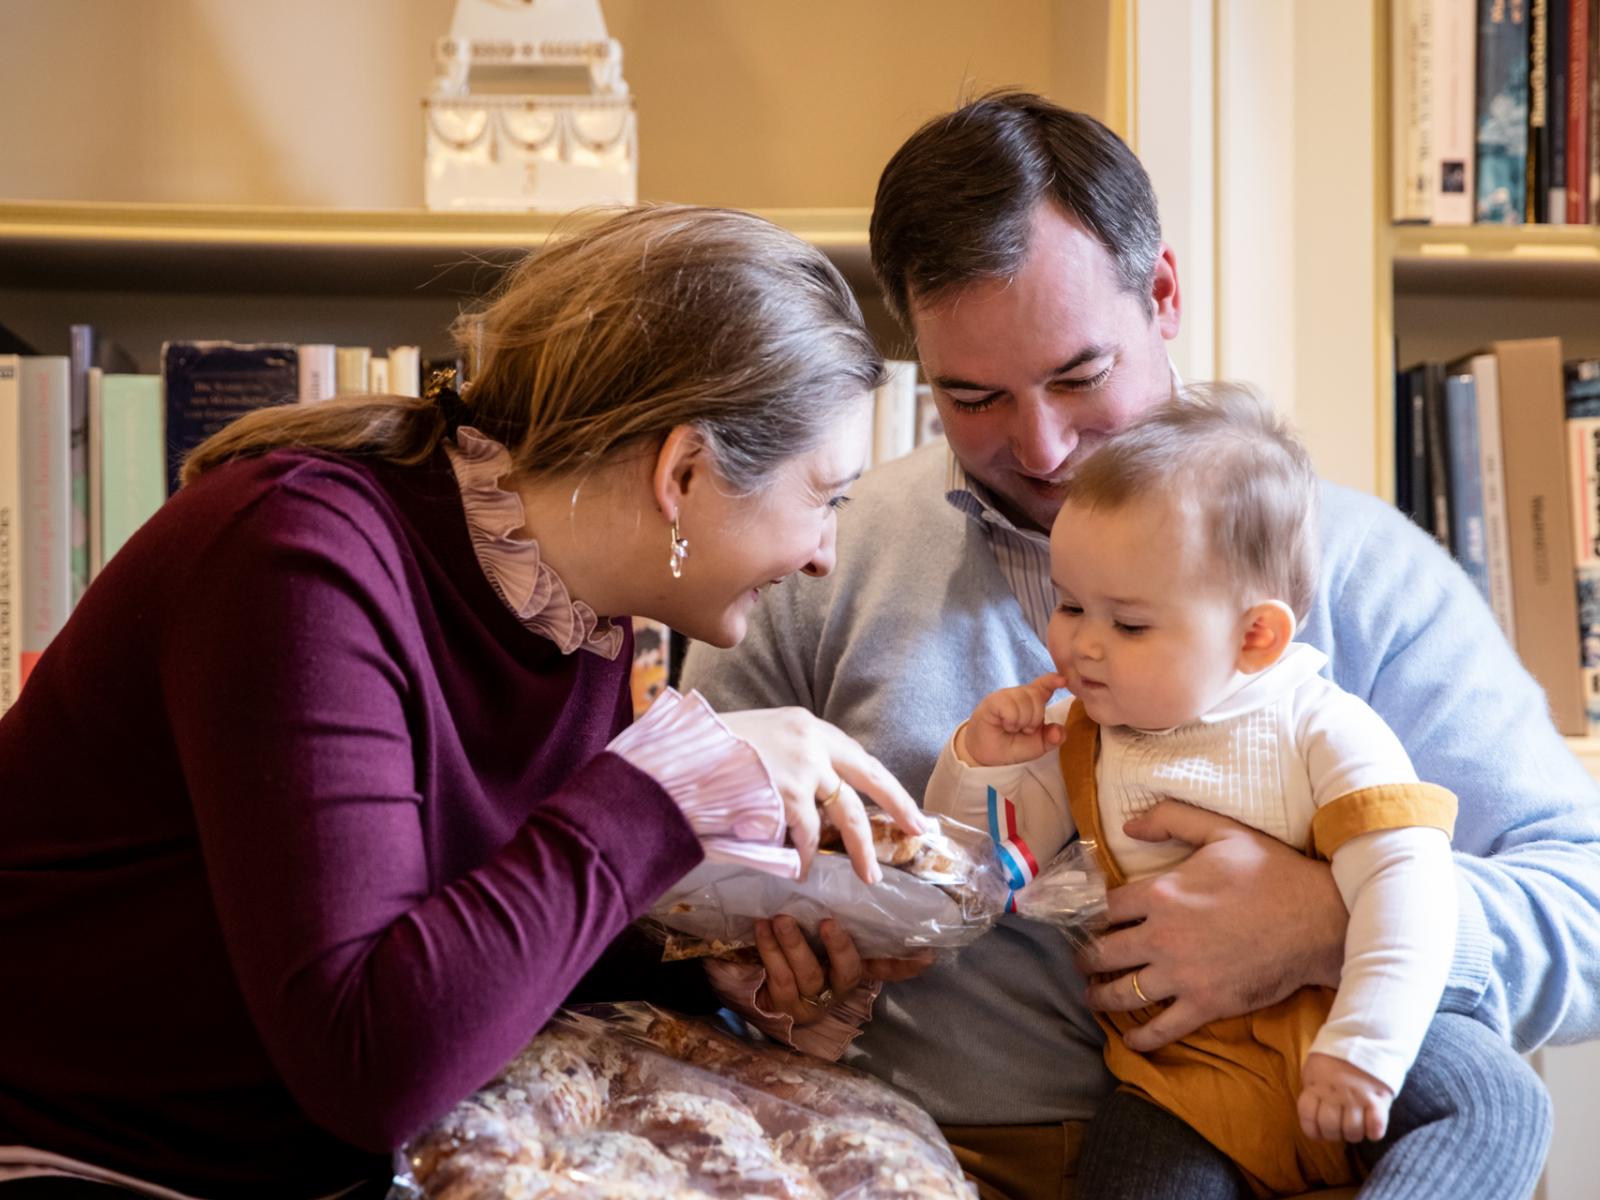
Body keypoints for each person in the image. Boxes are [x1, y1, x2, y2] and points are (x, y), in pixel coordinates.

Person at [681, 92, 1600, 1200]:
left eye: (1078, 376)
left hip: (1307, 1156)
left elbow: (1586, 906)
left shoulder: (1362, 570)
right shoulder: (807, 566)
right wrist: (758, 966)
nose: (1042, 444)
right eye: (971, 398)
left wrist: (1328, 924)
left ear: (1161, 293)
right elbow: (684, 885)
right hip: (919, 1160)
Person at [0, 205, 935, 1200]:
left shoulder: (575, 609)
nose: (824, 553)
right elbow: (373, 1062)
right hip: (84, 1157)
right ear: (685, 472)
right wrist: (666, 783)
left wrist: (717, 985)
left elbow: (477, 941)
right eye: (824, 497)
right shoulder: (296, 561)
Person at [925, 384, 1549, 1198]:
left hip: (1349, 1014)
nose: (1083, 644)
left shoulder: (1324, 728)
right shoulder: (1083, 736)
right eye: (1071, 604)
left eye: (1130, 624)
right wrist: (984, 764)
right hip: (1189, 1079)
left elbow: (1407, 886)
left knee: (1499, 1105)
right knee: (1131, 1169)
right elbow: (974, 866)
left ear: (1256, 636)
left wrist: (1366, 1044)